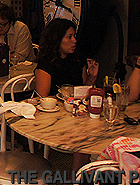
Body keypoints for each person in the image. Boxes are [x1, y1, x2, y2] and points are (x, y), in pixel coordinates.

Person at [34, 17, 99, 172]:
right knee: (85, 131)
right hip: (53, 118)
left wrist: (92, 77)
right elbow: (42, 101)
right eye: (69, 37)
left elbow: (83, 91)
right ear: (57, 39)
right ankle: (78, 177)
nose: (74, 40)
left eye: (74, 36)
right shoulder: (46, 64)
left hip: (75, 112)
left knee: (93, 126)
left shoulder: (77, 59)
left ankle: (84, 175)